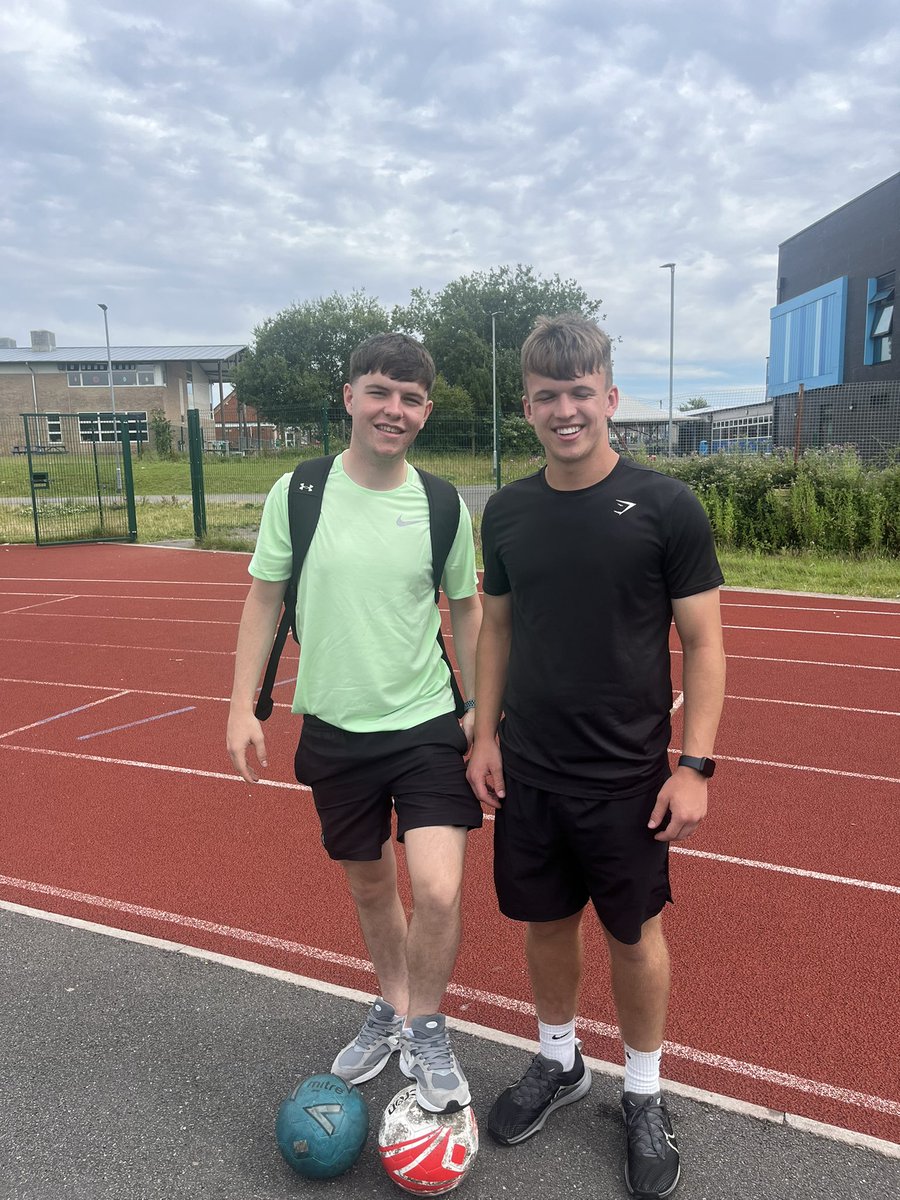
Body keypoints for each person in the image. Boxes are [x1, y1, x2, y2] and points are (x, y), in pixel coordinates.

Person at [467, 314, 725, 1198]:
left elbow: (705, 643)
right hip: (532, 769)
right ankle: (559, 1060)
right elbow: (497, 630)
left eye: (581, 393)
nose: (565, 410)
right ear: (528, 408)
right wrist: (485, 734)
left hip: (626, 777)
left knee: (633, 933)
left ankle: (643, 1092)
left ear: (610, 398)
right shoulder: (507, 510)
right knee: (545, 924)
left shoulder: (666, 506)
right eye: (547, 396)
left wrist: (694, 766)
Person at [227, 333, 483, 1115]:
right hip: (336, 727)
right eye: (379, 392)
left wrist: (480, 709)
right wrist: (240, 705)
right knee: (372, 885)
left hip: (426, 720)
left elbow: (467, 610)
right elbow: (263, 600)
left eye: (410, 399)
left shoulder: (441, 504)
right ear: (349, 397)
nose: (393, 409)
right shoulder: (299, 492)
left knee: (436, 887)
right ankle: (394, 1006)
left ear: (425, 412)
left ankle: (427, 1028)